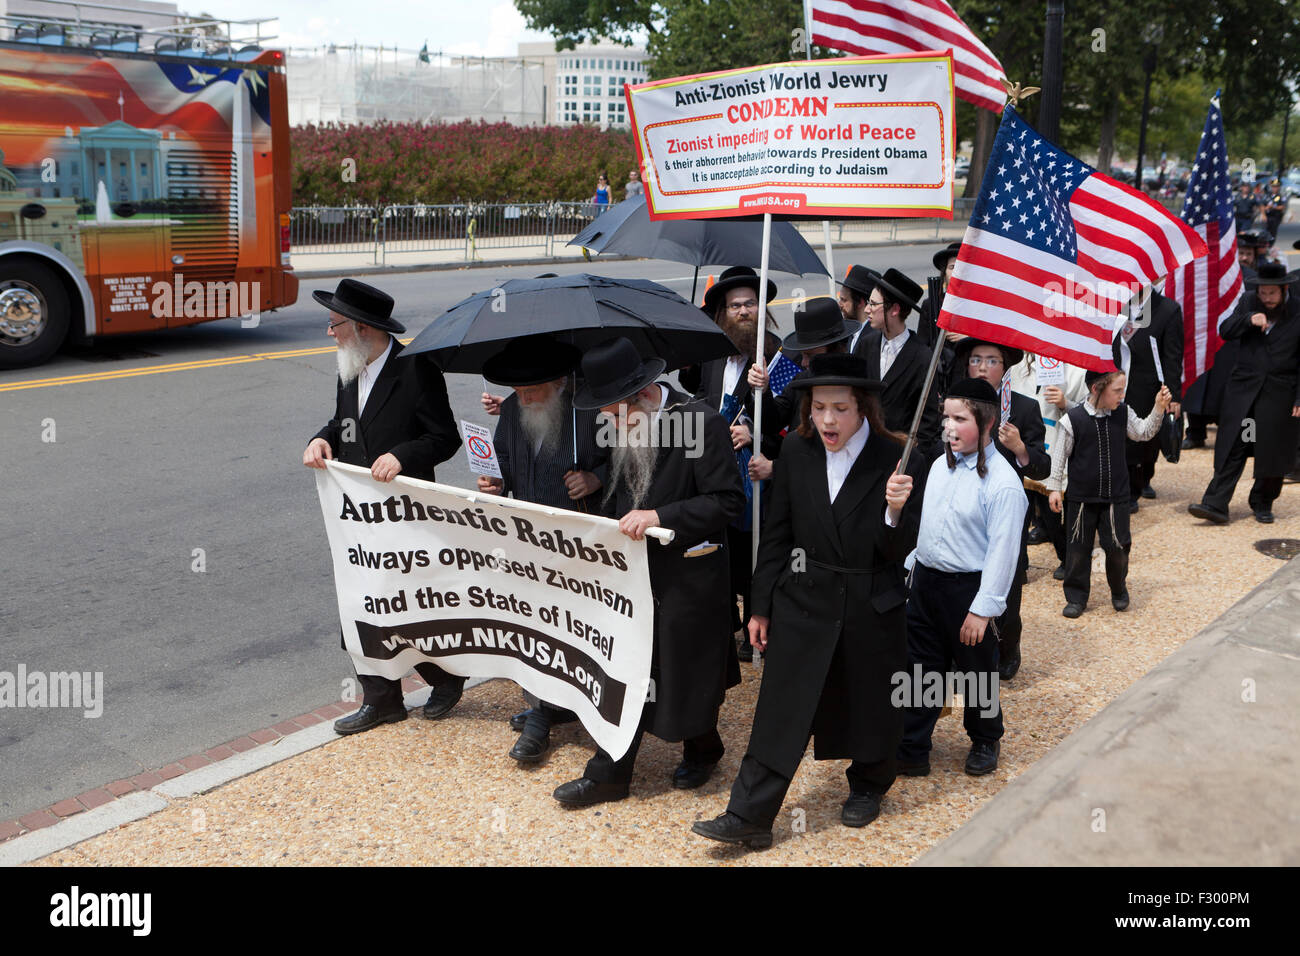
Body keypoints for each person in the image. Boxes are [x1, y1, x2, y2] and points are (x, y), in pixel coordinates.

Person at [690, 354, 924, 850]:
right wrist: (759, 606)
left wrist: (895, 510)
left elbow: (896, 552)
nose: (828, 421)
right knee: (780, 706)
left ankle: (868, 783)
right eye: (819, 407)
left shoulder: (898, 460)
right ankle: (749, 814)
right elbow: (777, 534)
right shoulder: (795, 451)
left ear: (863, 408)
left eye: (840, 408)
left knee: (868, 701)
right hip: (804, 597)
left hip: (869, 600)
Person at [552, 337, 745, 807]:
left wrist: (661, 518)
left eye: (612, 412)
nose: (605, 421)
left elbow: (728, 502)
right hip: (635, 578)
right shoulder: (625, 424)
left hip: (690, 577)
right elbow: (629, 492)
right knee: (629, 670)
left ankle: (703, 749)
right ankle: (610, 775)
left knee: (689, 673)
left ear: (641, 396)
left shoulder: (700, 422)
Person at [302, 279, 464, 734]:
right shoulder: (349, 364)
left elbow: (443, 438)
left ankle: (444, 676)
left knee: (405, 605)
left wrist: (402, 456)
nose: (329, 332)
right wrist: (321, 438)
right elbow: (343, 424)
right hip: (356, 512)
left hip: (403, 511)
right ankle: (382, 699)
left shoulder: (416, 369)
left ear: (362, 328)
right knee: (360, 601)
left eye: (335, 324)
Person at [475, 335, 608, 763]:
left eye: (533, 391)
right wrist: (494, 481)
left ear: (557, 384)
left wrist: (596, 478)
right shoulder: (513, 409)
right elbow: (505, 461)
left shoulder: (589, 409)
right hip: (527, 542)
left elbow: (626, 458)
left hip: (579, 545)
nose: (524, 398)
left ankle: (559, 708)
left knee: (576, 629)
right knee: (536, 629)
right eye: (519, 391)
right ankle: (542, 708)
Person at [895, 377, 1027, 778]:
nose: (948, 427)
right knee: (920, 667)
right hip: (926, 583)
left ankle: (985, 737)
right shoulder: (938, 465)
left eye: (959, 418)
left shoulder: (1003, 485)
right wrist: (913, 565)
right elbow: (929, 524)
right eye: (945, 417)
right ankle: (913, 743)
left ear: (986, 423)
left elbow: (1003, 554)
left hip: (967, 591)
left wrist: (983, 610)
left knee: (976, 670)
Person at [683, 265, 782, 661]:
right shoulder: (711, 354)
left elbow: (791, 423)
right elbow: (700, 400)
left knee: (751, 552)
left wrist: (755, 430)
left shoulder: (777, 356)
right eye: (735, 305)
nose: (743, 312)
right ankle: (725, 623)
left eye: (750, 304)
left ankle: (755, 629)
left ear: (762, 309)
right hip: (712, 467)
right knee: (716, 547)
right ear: (723, 312)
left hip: (755, 474)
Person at [953, 338, 1049, 681]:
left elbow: (1042, 466)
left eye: (991, 360)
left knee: (1006, 583)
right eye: (976, 359)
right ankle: (967, 647)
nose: (981, 367)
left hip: (1005, 514)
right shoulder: (956, 406)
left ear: (1004, 366)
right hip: (965, 511)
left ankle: (1009, 646)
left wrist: (1021, 448)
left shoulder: (1022, 408)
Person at [1047, 369, 1170, 618]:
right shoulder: (1074, 418)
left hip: (1116, 496)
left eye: (1123, 390)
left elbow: (1143, 432)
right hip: (1081, 497)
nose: (1121, 396)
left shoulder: (1123, 413)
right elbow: (1060, 455)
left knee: (1117, 546)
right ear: (1096, 389)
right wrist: (1054, 488)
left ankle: (1118, 588)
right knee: (1077, 549)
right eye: (1117, 390)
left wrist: (1158, 407)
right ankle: (1076, 597)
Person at [1188, 262, 1300, 524]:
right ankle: (1215, 503)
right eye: (1263, 293)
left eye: (1272, 293)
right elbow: (1225, 330)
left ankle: (1262, 501)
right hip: (1245, 395)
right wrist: (1248, 319)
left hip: (1278, 395)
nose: (1267, 299)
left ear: (1284, 289)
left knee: (1271, 451)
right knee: (1235, 444)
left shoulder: (1297, 310)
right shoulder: (1249, 301)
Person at [1182, 231, 1271, 448]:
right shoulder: (1208, 273)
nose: (1243, 257)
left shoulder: (1251, 278)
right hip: (1206, 335)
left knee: (1226, 392)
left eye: (1248, 253)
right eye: (1240, 252)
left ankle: (1236, 436)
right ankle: (1195, 432)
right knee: (1199, 386)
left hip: (1235, 343)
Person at [1007, 352, 1089, 580]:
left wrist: (1065, 403)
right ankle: (1018, 566)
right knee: (1017, 515)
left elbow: (1089, 413)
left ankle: (1067, 558)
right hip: (1023, 446)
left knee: (1053, 515)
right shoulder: (1018, 364)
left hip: (1056, 448)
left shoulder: (1076, 370)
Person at [1112, 287, 1183, 512]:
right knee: (1118, 435)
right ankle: (1124, 486)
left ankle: (1138, 484)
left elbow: (1172, 356)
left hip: (1146, 386)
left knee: (1142, 440)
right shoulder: (1114, 304)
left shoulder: (1167, 309)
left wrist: (1173, 394)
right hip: (1114, 382)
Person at [855, 267, 941, 447]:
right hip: (863, 448)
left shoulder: (922, 357)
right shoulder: (865, 344)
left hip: (899, 457)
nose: (867, 310)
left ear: (894, 309)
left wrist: (912, 460)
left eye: (873, 304)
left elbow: (928, 422)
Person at [916, 241, 967, 396]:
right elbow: (922, 346)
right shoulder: (931, 304)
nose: (956, 272)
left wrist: (967, 337)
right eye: (952, 267)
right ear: (944, 273)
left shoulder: (980, 305)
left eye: (961, 267)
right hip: (940, 375)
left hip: (967, 373)